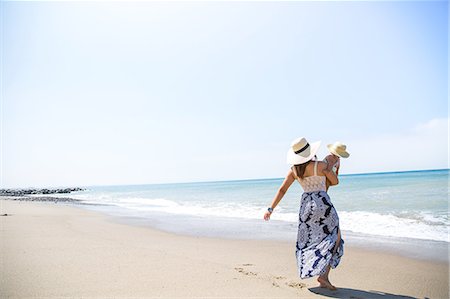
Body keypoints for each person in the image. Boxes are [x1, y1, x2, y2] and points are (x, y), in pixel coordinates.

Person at [263, 137, 344, 291]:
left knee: (310, 240)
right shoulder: (320, 165)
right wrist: (333, 167)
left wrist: (270, 209)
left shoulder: (294, 170)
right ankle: (324, 275)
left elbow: (282, 189)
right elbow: (334, 182)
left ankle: (314, 268)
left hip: (306, 206)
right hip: (323, 204)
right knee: (335, 237)